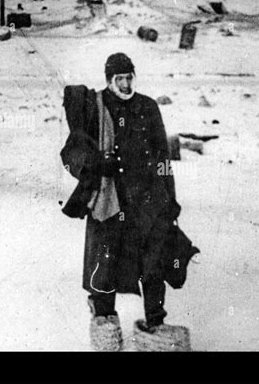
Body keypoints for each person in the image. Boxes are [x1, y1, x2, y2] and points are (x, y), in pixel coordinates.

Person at [62, 53, 183, 351]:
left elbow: (162, 158)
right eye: (120, 79)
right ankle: (105, 323)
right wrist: (96, 162)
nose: (126, 84)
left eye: (130, 77)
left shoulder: (148, 107)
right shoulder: (94, 107)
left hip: (147, 202)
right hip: (110, 200)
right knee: (105, 265)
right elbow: (71, 154)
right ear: (109, 80)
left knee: (153, 264)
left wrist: (170, 198)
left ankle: (155, 322)